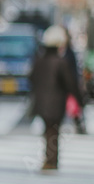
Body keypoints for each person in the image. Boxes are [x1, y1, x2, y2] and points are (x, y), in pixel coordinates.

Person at [29, 25, 79, 171]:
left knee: (47, 130)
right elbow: (70, 83)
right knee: (54, 131)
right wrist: (79, 99)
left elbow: (31, 78)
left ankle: (49, 159)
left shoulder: (38, 60)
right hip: (57, 102)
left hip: (41, 101)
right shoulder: (61, 62)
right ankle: (51, 160)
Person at [61, 30, 86, 134]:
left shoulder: (68, 53)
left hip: (68, 84)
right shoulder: (67, 52)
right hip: (68, 83)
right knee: (73, 107)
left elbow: (72, 70)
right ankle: (79, 125)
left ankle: (79, 125)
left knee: (73, 107)